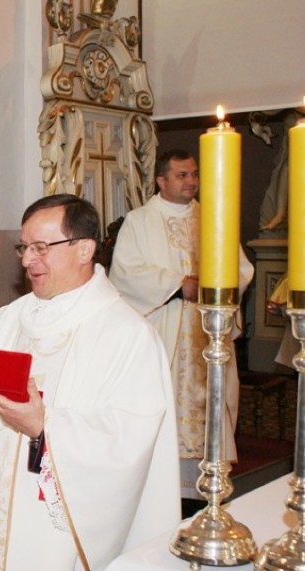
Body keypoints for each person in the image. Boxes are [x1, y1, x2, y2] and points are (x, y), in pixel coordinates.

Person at [0, 194, 180, 570]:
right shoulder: (12, 317)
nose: (26, 259)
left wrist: (44, 426)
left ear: (84, 249)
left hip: (50, 529)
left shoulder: (127, 334)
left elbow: (130, 437)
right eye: (24, 247)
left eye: (40, 247)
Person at [108, 149, 254, 509]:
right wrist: (177, 284)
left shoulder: (215, 218)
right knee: (164, 408)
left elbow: (242, 269)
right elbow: (124, 272)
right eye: (181, 175)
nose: (191, 182)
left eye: (194, 175)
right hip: (165, 328)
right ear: (161, 180)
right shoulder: (140, 220)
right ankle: (161, 493)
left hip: (208, 331)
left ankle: (208, 493)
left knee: (211, 409)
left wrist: (217, 286)